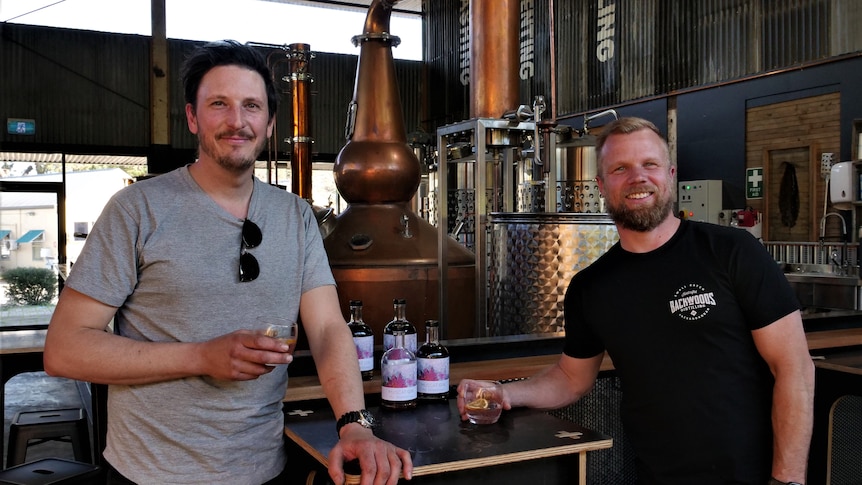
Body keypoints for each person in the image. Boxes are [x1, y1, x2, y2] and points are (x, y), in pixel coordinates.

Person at [44, 40, 413, 485]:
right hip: (152, 475)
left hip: (265, 469)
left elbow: (329, 328)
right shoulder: (137, 210)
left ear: (270, 123)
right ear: (192, 117)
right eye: (219, 104)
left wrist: (354, 422)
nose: (237, 121)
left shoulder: (295, 216)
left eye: (251, 106)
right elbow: (64, 349)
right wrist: (201, 356)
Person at [457, 117, 814, 485]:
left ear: (670, 175)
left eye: (650, 165)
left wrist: (787, 479)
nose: (637, 178)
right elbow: (570, 378)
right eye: (620, 168)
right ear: (601, 185)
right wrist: (504, 393)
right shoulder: (591, 287)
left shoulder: (732, 252)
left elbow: (794, 368)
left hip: (755, 476)